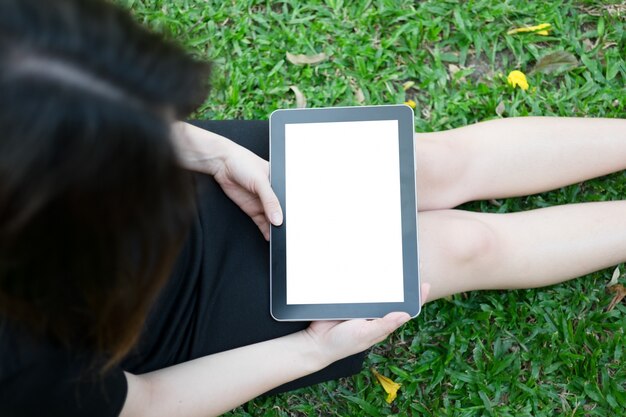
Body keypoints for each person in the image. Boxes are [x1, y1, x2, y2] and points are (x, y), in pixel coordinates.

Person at [0, 0, 624, 416]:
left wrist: (204, 151)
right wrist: (314, 351)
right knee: (461, 248)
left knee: (426, 167)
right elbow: (145, 404)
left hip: (129, 187)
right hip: (161, 317)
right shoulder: (19, 359)